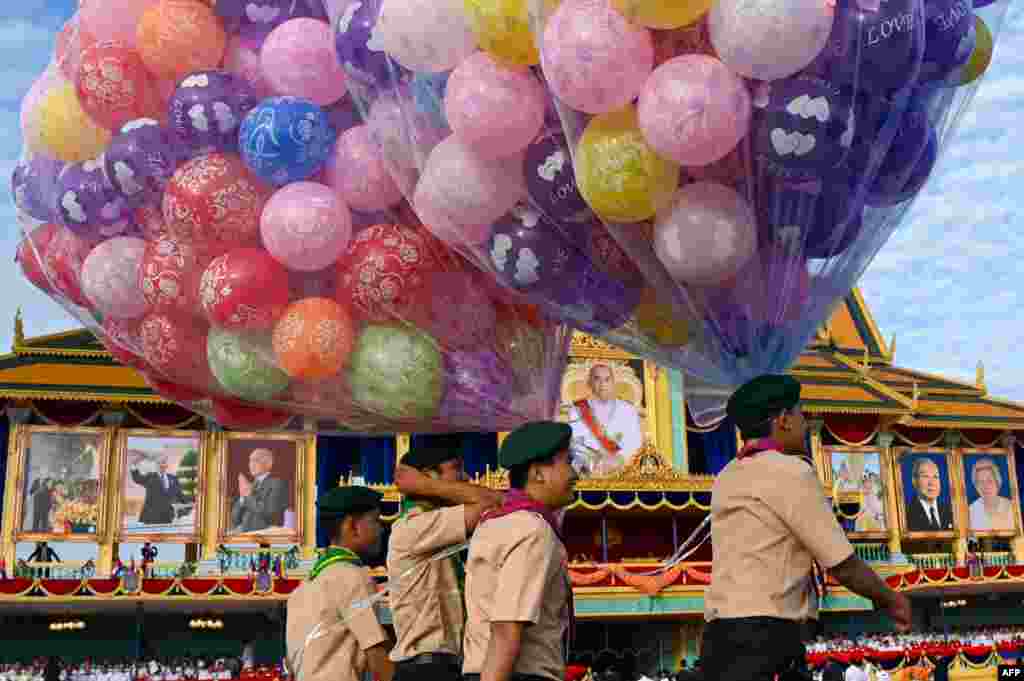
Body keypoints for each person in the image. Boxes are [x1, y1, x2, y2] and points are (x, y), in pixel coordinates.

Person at [702, 375, 912, 681]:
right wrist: (891, 599)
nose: (804, 422)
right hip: (765, 638)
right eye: (801, 414)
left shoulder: (725, 477)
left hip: (716, 639)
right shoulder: (792, 472)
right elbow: (842, 564)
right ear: (784, 420)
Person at [462, 421, 580, 681]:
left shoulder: (492, 522)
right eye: (567, 462)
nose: (575, 474)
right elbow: (506, 627)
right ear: (538, 473)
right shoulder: (532, 528)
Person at [388, 441, 503, 681]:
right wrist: (429, 485)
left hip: (440, 666)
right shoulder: (415, 525)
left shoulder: (434, 522)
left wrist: (428, 484)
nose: (466, 477)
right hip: (426, 670)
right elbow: (494, 503)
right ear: (429, 476)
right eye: (456, 468)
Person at [286, 486, 393, 681]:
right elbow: (375, 653)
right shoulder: (352, 575)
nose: (381, 529)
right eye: (375, 521)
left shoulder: (305, 586)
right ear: (352, 526)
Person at [568, 364, 644, 475]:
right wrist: (593, 463)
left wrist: (619, 459)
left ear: (613, 383)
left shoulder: (628, 410)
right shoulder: (577, 410)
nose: (602, 384)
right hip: (588, 472)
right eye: (597, 379)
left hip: (622, 472)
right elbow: (575, 444)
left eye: (607, 379)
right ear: (589, 383)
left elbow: (635, 443)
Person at [231, 449, 289, 533]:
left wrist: (248, 496)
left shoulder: (276, 484)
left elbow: (270, 514)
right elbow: (235, 519)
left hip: (265, 535)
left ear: (269, 464)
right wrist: (242, 498)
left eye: (256, 460)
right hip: (243, 533)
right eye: (250, 461)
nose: (251, 465)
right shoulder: (250, 486)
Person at [131, 456, 188, 525]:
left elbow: (180, 495)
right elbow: (137, 478)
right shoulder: (150, 476)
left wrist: (188, 505)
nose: (162, 465)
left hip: (168, 517)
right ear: (156, 465)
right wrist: (134, 465)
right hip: (151, 517)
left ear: (166, 465)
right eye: (159, 463)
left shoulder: (173, 478)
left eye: (164, 463)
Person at [904, 459, 954, 532]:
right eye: (925, 476)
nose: (932, 483)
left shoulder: (951, 511)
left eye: (935, 477)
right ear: (914, 481)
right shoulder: (905, 514)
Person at [967, 458, 1014, 531]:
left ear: (997, 482)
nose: (985, 486)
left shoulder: (1012, 508)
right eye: (981, 482)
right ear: (976, 486)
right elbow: (971, 541)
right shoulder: (970, 512)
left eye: (990, 481)